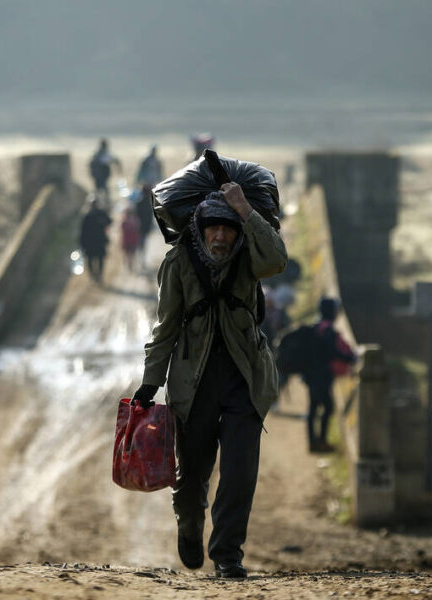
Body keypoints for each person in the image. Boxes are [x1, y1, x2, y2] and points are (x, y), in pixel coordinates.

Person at [132, 182, 287, 579]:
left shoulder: (251, 256)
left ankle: (227, 554)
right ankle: (189, 522)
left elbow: (277, 261)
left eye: (228, 227)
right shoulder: (179, 263)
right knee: (193, 474)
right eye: (213, 228)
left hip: (244, 378)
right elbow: (165, 327)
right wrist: (150, 384)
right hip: (194, 382)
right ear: (200, 229)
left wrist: (245, 211)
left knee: (239, 473)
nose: (220, 235)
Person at [301, 297, 357, 453]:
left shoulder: (315, 326)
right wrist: (351, 358)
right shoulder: (328, 330)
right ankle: (322, 442)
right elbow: (332, 352)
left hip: (311, 374)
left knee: (313, 409)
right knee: (328, 407)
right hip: (322, 375)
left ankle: (313, 443)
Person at [79, 197, 112, 282]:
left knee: (98, 258)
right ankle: (94, 275)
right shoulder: (88, 215)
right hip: (92, 242)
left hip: (98, 241)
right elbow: (83, 230)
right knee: (91, 259)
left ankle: (97, 275)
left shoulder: (99, 214)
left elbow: (109, 221)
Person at [120, 205, 142, 272]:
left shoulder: (126, 220)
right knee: (130, 254)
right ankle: (130, 265)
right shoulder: (135, 219)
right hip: (130, 239)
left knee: (129, 254)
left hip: (130, 239)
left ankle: (130, 265)